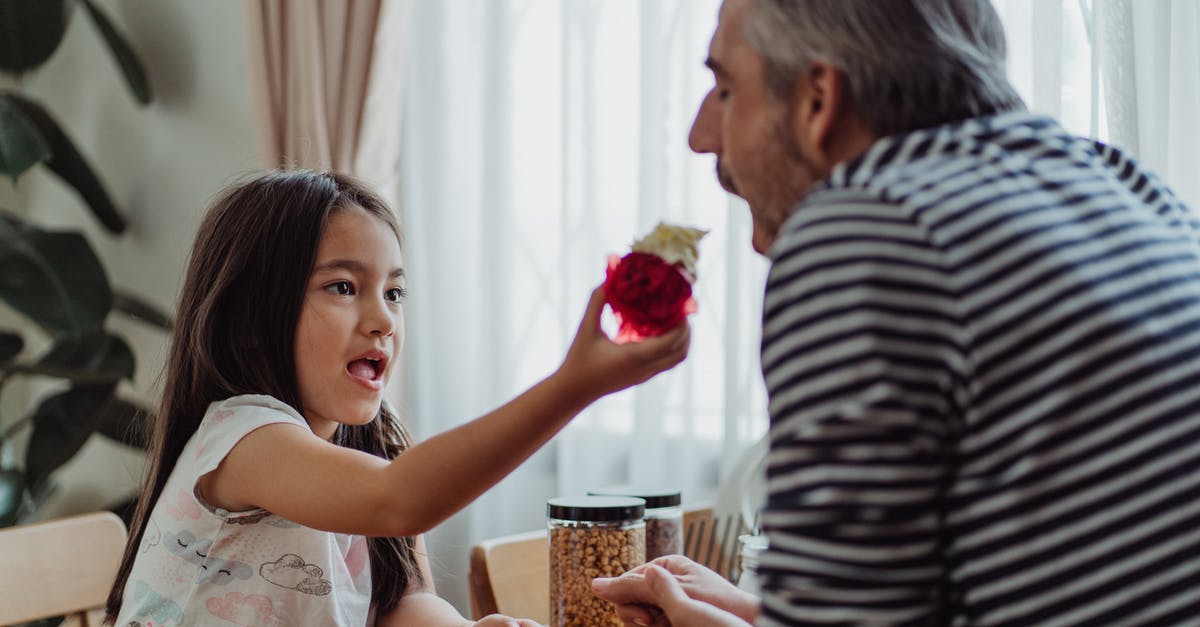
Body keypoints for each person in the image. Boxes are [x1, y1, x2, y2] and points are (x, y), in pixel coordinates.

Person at [593, 0, 1200, 624]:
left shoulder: (870, 230)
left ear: (817, 99)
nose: (700, 137)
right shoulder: (1126, 187)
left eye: (725, 89)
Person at [103, 170, 690, 626]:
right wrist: (574, 385)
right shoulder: (242, 439)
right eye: (343, 287)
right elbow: (400, 500)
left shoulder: (373, 446)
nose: (383, 318)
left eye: (395, 292)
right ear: (252, 319)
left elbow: (401, 602)